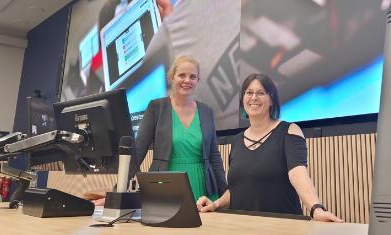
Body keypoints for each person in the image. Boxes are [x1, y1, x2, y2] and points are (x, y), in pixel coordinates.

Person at [196, 73, 343, 222]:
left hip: (283, 226)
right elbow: (237, 190)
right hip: (242, 226)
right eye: (249, 93)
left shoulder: (289, 131)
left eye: (261, 93)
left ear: (272, 100)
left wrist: (316, 209)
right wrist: (215, 204)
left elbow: (298, 174)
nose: (254, 98)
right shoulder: (236, 141)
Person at [134, 55, 227, 201]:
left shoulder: (206, 111)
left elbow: (214, 156)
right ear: (172, 77)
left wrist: (225, 194)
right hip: (165, 184)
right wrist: (118, 191)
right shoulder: (156, 107)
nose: (187, 80)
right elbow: (138, 152)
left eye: (192, 76)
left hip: (203, 186)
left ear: (198, 81)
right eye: (182, 75)